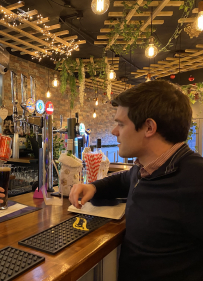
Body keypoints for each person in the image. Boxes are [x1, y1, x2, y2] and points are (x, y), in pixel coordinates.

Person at [69, 80, 203, 281]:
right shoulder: (145, 169)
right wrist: (92, 187)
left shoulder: (197, 179)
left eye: (121, 124)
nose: (114, 131)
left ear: (149, 127)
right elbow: (123, 180)